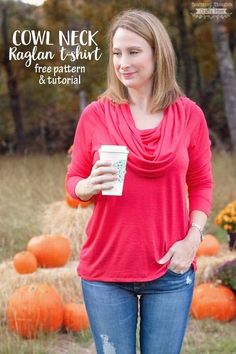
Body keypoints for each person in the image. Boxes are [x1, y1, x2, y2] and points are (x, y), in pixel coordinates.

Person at [65, 9, 213, 354]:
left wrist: (193, 239)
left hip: (170, 269)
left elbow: (202, 184)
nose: (123, 62)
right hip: (105, 272)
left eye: (133, 52)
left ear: (156, 54)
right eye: (117, 53)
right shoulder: (96, 115)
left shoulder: (189, 115)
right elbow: (73, 179)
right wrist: (85, 187)